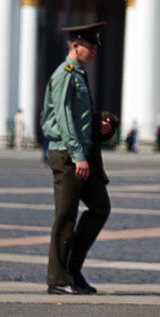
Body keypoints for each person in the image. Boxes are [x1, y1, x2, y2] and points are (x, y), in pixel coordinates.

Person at [41, 22, 116, 296]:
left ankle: (72, 267)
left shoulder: (79, 74)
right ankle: (58, 278)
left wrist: (98, 125)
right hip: (67, 154)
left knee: (100, 207)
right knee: (65, 217)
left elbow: (78, 118)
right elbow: (62, 118)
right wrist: (77, 155)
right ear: (75, 45)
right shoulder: (66, 74)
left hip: (83, 154)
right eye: (91, 45)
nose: (95, 50)